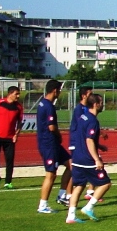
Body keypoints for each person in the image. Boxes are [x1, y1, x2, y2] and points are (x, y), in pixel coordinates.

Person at [66, 93, 110, 224]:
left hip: (77, 158)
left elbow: (84, 137)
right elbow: (89, 140)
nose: (103, 105)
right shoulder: (92, 120)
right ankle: (89, 207)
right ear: (96, 104)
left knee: (79, 186)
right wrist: (97, 159)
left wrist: (100, 145)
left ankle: (71, 216)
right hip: (87, 159)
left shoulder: (83, 117)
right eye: (101, 102)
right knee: (105, 184)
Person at [35, 79, 73, 214]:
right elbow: (51, 127)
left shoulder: (43, 104)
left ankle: (62, 195)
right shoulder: (48, 106)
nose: (60, 93)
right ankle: (43, 205)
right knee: (51, 174)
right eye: (60, 90)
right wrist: (59, 134)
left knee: (71, 165)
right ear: (55, 90)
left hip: (53, 144)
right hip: (48, 144)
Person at [0, 86, 23, 189]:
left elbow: (20, 122)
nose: (18, 96)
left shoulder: (18, 107)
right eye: (16, 94)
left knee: (9, 160)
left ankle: (8, 181)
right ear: (10, 93)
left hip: (10, 138)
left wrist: (16, 134)